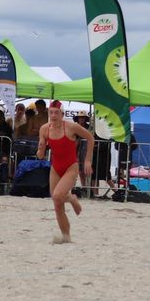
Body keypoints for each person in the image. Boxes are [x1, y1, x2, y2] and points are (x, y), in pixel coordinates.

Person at [37, 100, 93, 244]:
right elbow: (40, 156)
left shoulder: (71, 127)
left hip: (70, 167)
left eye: (56, 112)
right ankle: (66, 236)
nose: (53, 115)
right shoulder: (44, 129)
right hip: (56, 167)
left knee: (57, 195)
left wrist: (87, 160)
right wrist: (41, 148)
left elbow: (90, 138)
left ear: (62, 114)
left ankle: (72, 198)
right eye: (51, 112)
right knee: (57, 202)